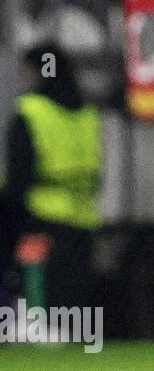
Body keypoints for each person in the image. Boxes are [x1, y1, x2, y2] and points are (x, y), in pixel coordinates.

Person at [3, 45, 103, 317]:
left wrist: (12, 212)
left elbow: (19, 174)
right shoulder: (86, 114)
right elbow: (96, 172)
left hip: (40, 213)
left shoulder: (32, 110)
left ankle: (33, 322)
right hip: (82, 216)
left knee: (38, 286)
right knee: (72, 298)